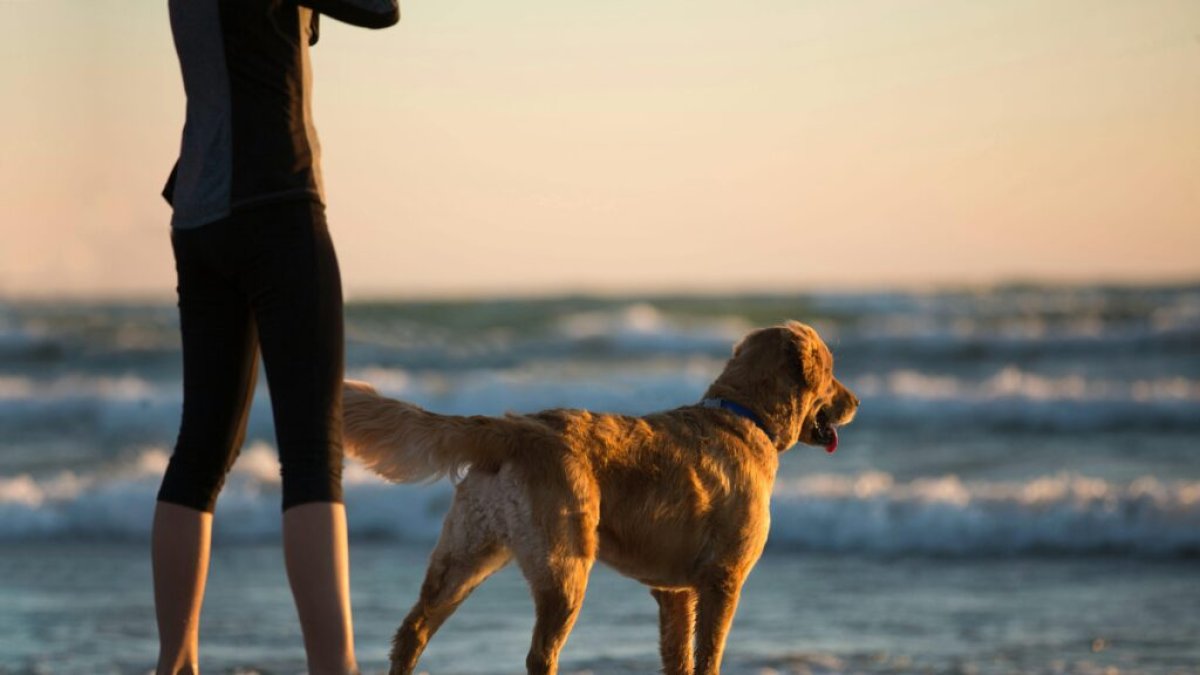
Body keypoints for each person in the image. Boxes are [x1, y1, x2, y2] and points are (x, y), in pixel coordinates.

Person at [153, 1, 398, 673]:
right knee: (312, 454)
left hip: (200, 215)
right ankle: (335, 665)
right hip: (276, 204)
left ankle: (174, 663)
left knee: (200, 450)